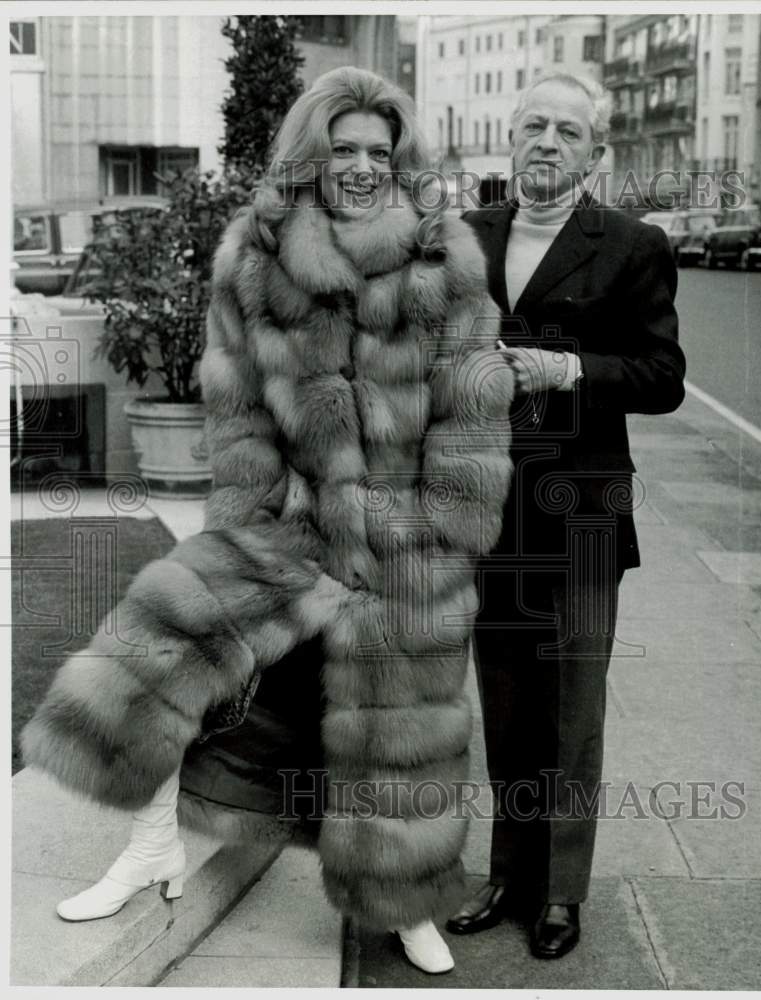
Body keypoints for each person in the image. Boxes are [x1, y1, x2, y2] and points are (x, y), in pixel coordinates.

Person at [21, 66, 514, 976]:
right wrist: (248, 518)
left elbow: (474, 407)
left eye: (380, 151)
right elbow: (238, 410)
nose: (362, 166)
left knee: (402, 727)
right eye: (345, 149)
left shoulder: (447, 256)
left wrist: (446, 530)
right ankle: (150, 846)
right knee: (155, 639)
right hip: (290, 520)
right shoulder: (257, 251)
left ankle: (404, 904)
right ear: (311, 155)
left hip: (411, 536)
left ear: (400, 162)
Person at [445, 72, 686, 959]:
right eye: (533, 125)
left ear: (597, 154)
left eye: (568, 131)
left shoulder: (632, 244)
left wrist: (571, 370)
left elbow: (663, 378)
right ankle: (508, 872)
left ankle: (562, 891)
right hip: (489, 506)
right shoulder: (466, 236)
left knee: (574, 708)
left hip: (582, 510)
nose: (547, 141)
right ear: (512, 138)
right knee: (503, 703)